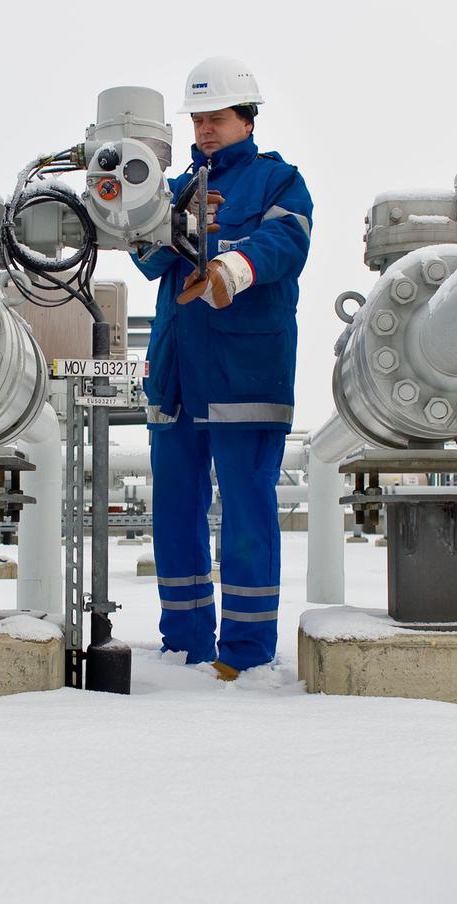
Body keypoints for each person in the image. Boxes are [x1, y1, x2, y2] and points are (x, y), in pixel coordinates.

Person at [134, 56, 313, 680]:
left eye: (217, 118)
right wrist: (136, 217)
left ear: (246, 118)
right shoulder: (176, 186)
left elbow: (288, 242)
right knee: (175, 509)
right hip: (179, 374)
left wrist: (232, 268)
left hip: (245, 374)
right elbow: (151, 264)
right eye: (198, 119)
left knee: (246, 511)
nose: (205, 129)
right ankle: (183, 642)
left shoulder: (276, 181)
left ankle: (245, 652)